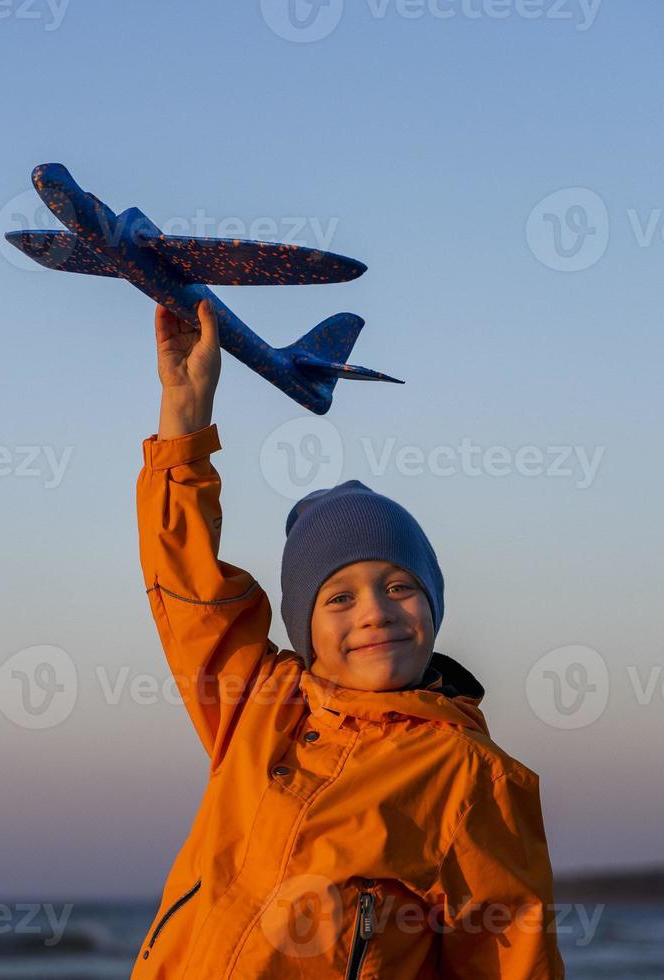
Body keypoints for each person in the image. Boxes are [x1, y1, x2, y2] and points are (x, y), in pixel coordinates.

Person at [132, 300, 565, 978]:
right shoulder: (258, 703)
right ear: (304, 628)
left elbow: (511, 956)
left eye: (400, 587)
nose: (374, 613)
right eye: (339, 596)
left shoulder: (469, 775)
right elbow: (186, 585)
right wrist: (184, 413)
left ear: (432, 604)